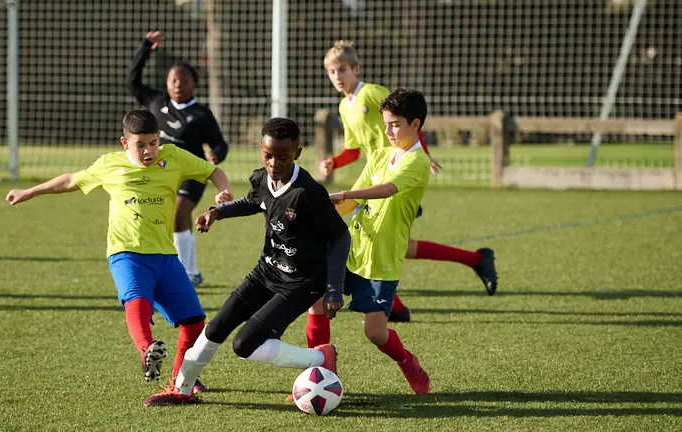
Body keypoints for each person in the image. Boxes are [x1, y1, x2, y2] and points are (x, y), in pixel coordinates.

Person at [5, 110, 233, 393]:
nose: (148, 151)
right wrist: (29, 192)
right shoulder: (109, 164)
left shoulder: (173, 156)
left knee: (195, 323)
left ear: (159, 138)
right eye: (140, 145)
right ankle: (148, 351)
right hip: (127, 253)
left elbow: (213, 171)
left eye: (153, 142)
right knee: (137, 301)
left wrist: (223, 192)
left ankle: (182, 379)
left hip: (165, 255)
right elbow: (70, 181)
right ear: (125, 143)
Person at [142, 117, 351, 406]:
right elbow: (253, 201)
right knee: (216, 327)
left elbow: (340, 237)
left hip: (301, 282)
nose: (274, 163)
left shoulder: (308, 193)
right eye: (268, 155)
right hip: (266, 271)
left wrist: (334, 289)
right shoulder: (262, 178)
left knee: (244, 345)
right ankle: (183, 388)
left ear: (297, 153)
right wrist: (217, 212)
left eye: (283, 157)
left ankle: (320, 357)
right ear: (261, 149)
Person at [317, 40, 498, 325]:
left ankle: (389, 306)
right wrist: (334, 162)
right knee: (392, 244)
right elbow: (353, 150)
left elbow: (406, 115)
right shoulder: (344, 107)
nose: (337, 76)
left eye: (342, 70)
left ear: (356, 69)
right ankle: (472, 260)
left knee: (374, 241)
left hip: (396, 179)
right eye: (331, 71)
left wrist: (422, 153)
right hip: (375, 176)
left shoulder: (371, 93)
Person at [329, 88, 436, 394]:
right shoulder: (379, 155)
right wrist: (322, 211)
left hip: (383, 257)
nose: (388, 131)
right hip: (353, 248)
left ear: (415, 124)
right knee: (317, 301)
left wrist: (344, 194)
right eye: (386, 124)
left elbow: (386, 189)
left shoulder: (418, 162)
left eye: (395, 125)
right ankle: (321, 371)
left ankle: (407, 361)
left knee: (374, 333)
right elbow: (352, 202)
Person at [126, 30, 229, 287]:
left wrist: (217, 154)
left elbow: (220, 143)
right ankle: (191, 271)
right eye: (173, 80)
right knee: (172, 218)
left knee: (179, 213)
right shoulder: (156, 102)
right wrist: (145, 48)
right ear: (166, 83)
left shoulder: (201, 114)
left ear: (194, 84)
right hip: (161, 172)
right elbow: (131, 82)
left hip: (191, 173)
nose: (178, 84)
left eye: (184, 80)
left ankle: (183, 274)